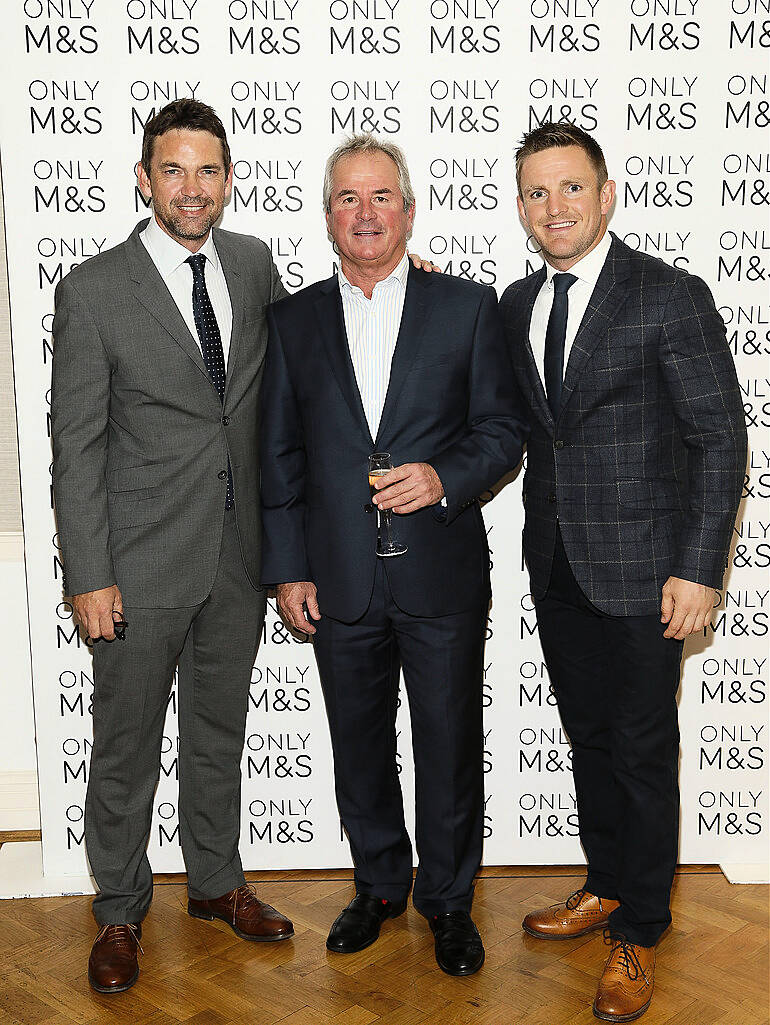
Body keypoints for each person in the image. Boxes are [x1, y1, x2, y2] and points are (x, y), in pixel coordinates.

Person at [260, 134, 527, 976]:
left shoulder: (468, 307)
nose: (365, 212)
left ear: (409, 211)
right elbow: (280, 456)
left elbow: (503, 433)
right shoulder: (292, 319)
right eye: (348, 198)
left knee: (448, 741)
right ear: (329, 216)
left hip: (439, 571)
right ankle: (377, 884)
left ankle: (449, 901)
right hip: (336, 577)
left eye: (381, 197)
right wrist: (288, 565)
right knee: (359, 742)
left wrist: (442, 476)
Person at [499, 122, 746, 1022]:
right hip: (558, 564)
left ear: (606, 195)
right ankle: (606, 882)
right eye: (536, 191)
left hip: (649, 575)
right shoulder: (516, 302)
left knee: (642, 747)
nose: (554, 207)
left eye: (570, 188)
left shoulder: (669, 296)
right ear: (521, 204)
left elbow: (720, 439)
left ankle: (639, 927)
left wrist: (698, 568)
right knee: (591, 738)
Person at [51, 99, 295, 994]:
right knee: (125, 741)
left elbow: (299, 364)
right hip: (139, 561)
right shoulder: (93, 289)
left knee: (216, 733)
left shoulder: (253, 264)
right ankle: (118, 906)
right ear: (145, 178)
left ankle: (216, 882)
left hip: (238, 553)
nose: (192, 188)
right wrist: (91, 573)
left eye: (208, 170)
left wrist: (398, 284)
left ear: (228, 179)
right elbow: (75, 444)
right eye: (174, 170)